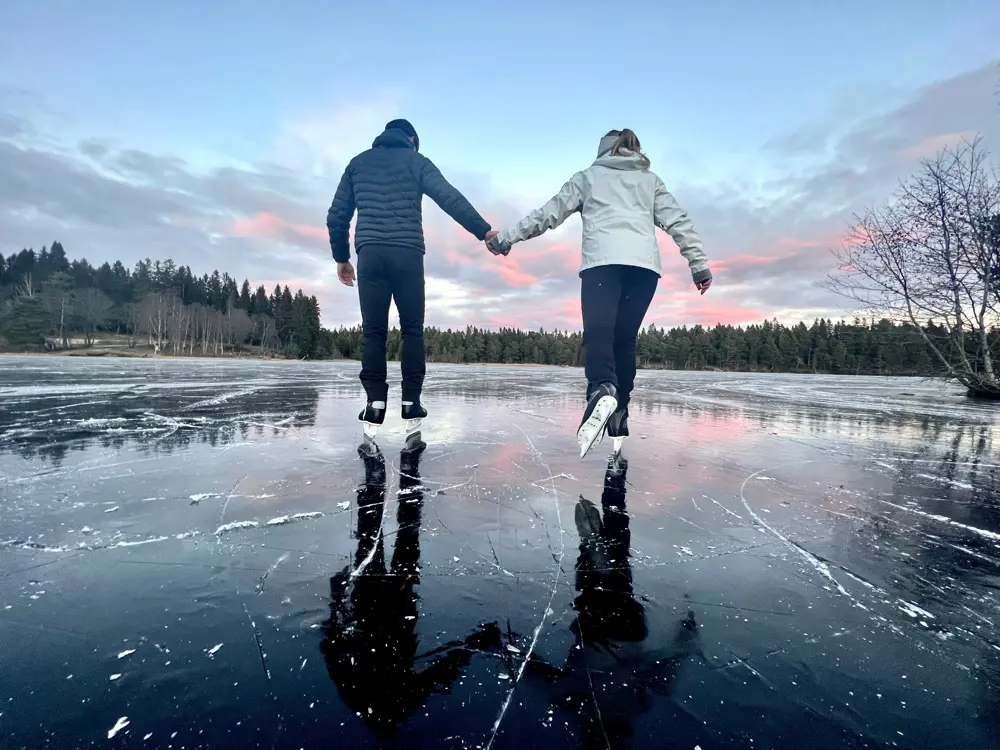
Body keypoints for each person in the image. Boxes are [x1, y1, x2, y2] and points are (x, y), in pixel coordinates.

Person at [487, 129, 711, 458]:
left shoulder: (589, 178)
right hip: (644, 270)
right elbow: (678, 221)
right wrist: (699, 264)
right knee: (624, 340)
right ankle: (619, 415)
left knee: (599, 333)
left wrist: (506, 238)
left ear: (603, 150)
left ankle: (602, 386)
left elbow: (548, 214)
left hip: (603, 265)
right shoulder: (651, 182)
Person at [327, 119, 498, 438]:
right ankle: (410, 402)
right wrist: (483, 231)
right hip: (407, 253)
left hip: (371, 254)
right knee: (413, 331)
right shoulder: (416, 161)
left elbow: (337, 215)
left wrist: (342, 258)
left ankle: (375, 403)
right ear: (412, 139)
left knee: (373, 331)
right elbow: (449, 197)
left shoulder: (357, 164)